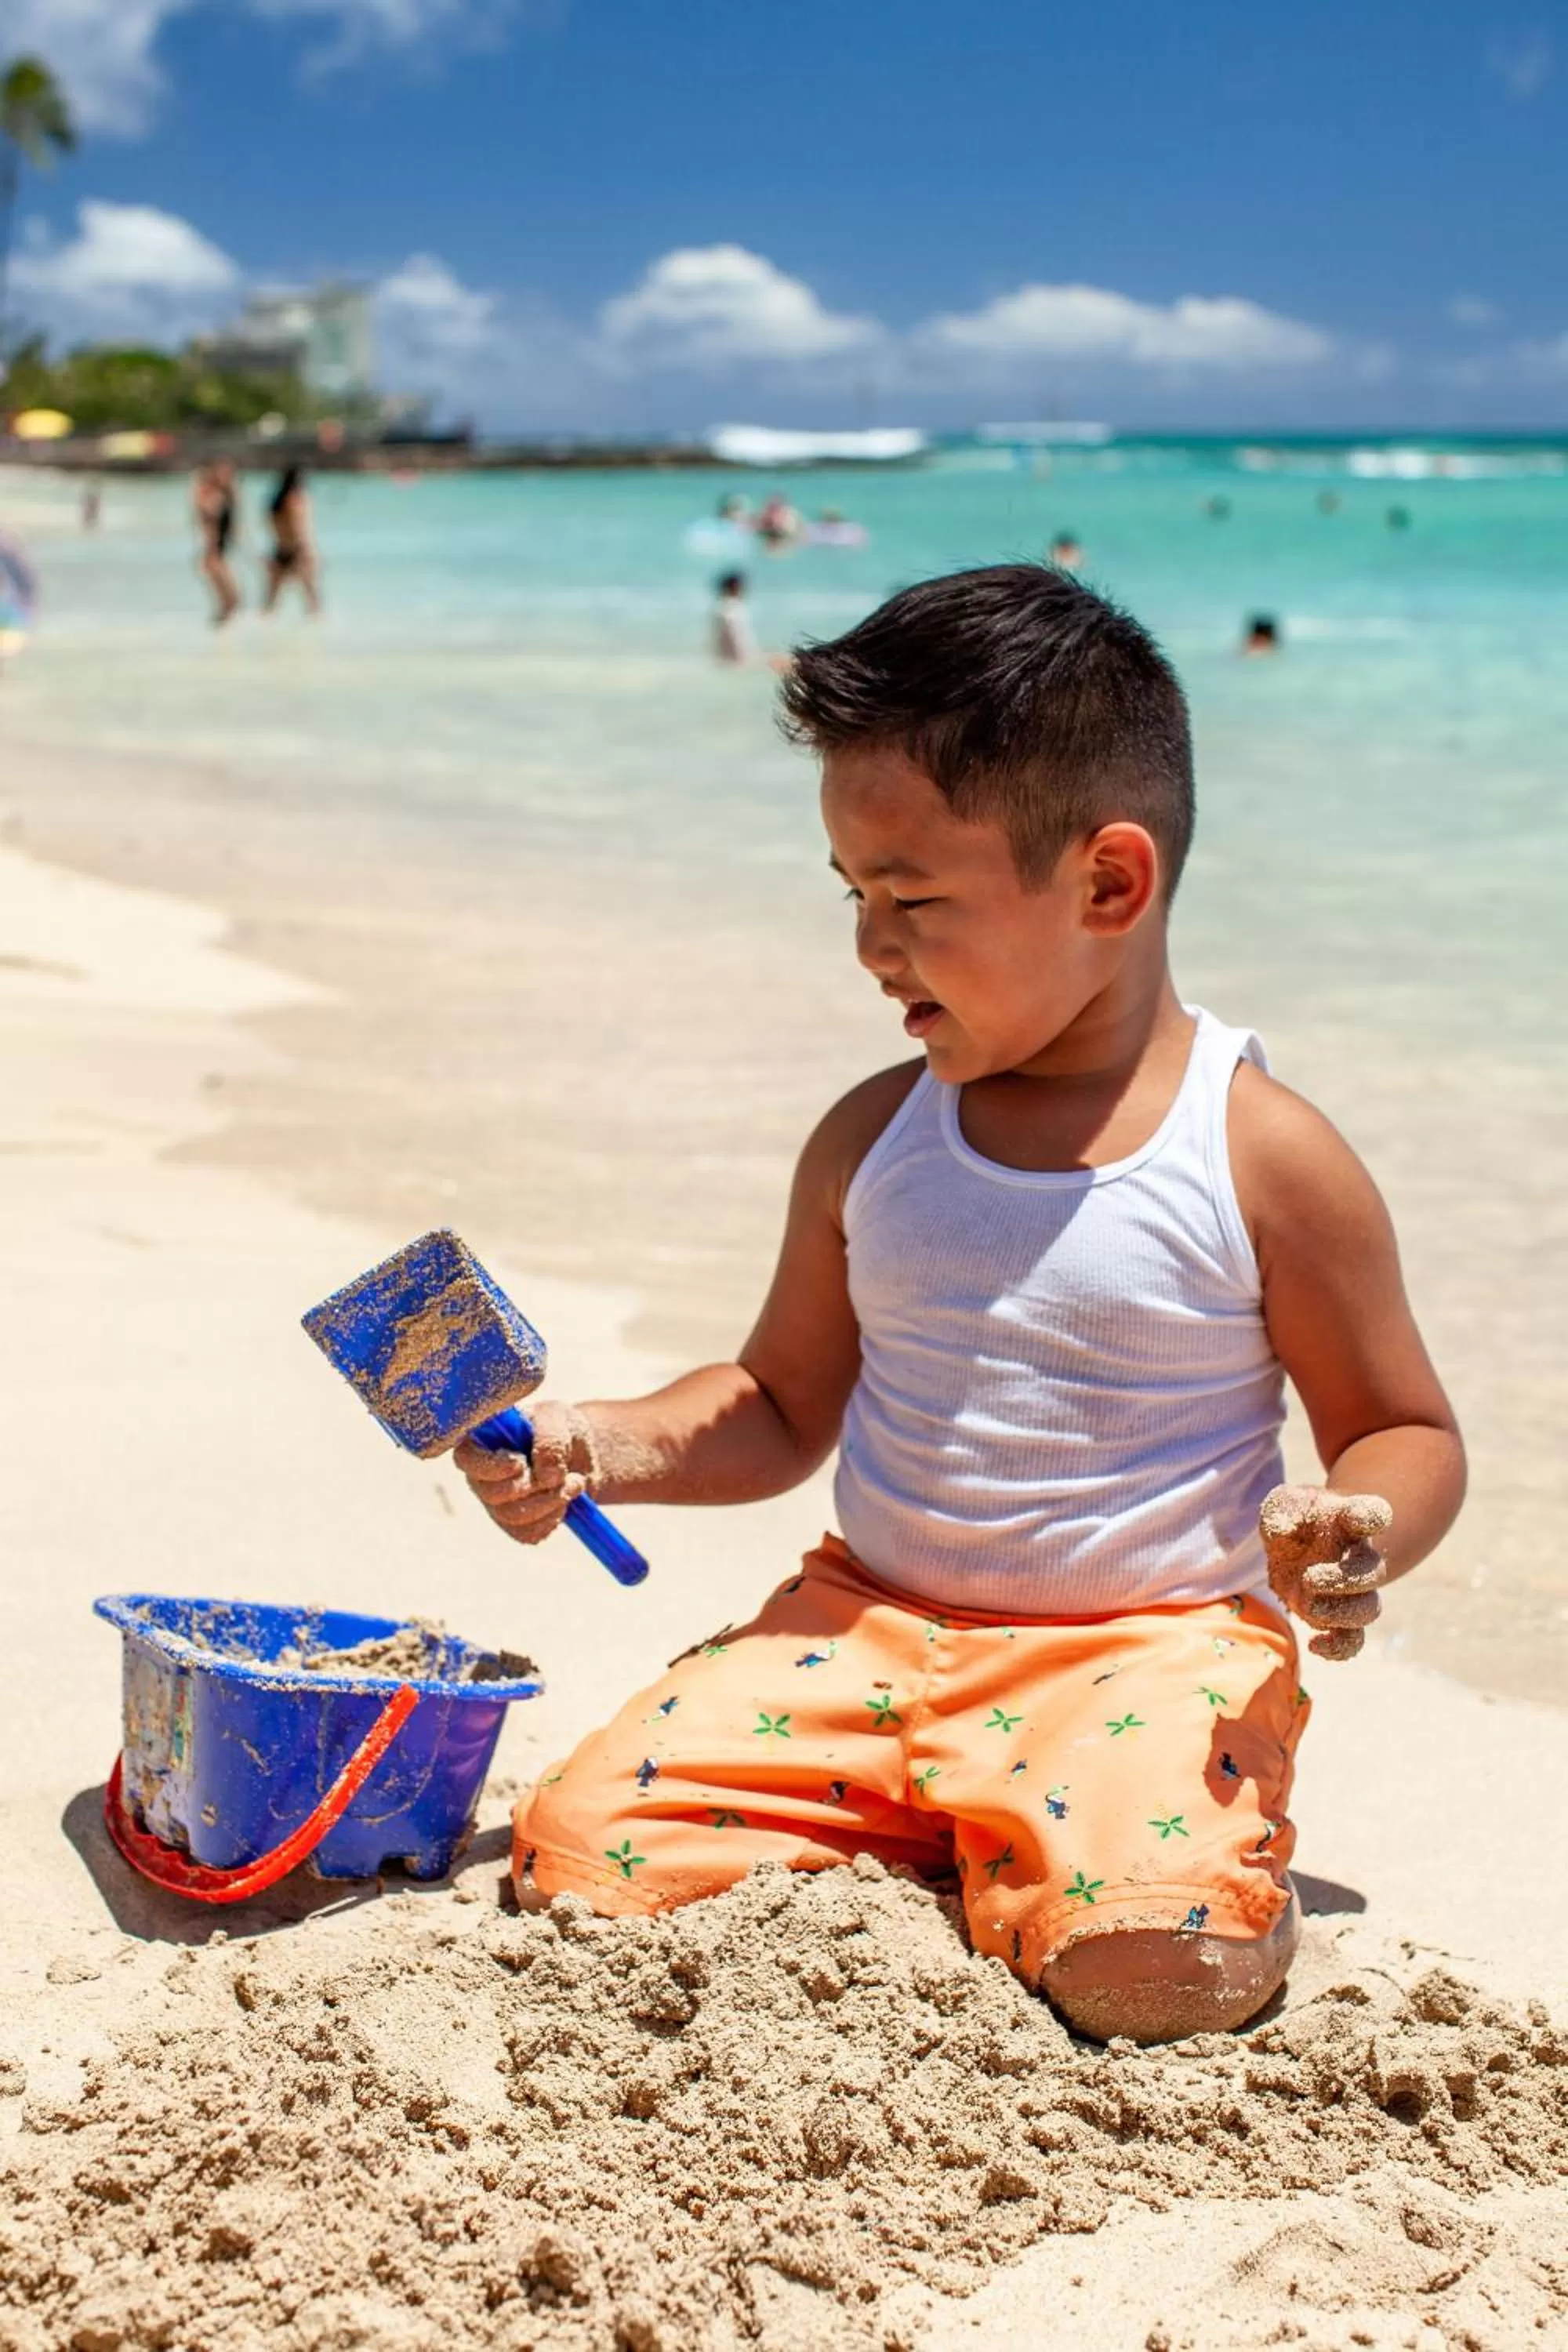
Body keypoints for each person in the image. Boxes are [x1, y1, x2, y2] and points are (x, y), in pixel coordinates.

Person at [458, 564, 1463, 2045]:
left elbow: (1404, 1426)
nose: (872, 947)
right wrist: (595, 1442)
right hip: (862, 1629)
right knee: (582, 1861)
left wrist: (1357, 1527)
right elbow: (780, 1402)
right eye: (854, 895)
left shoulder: (1258, 1154)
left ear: (1109, 885)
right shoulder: (875, 1141)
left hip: (1142, 1652)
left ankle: (1079, 1848)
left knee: (1154, 1967)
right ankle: (982, 1841)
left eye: (915, 899)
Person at [263, 464, 321, 615]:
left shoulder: (275, 503)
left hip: (280, 549)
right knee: (313, 601)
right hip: (298, 550)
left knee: (270, 603)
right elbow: (300, 528)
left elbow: (272, 526)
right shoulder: (296, 500)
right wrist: (309, 551)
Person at [193, 459, 241, 626]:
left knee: (229, 603)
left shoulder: (223, 496)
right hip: (213, 554)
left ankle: (218, 634)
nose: (229, 478)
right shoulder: (211, 498)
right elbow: (206, 519)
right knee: (231, 601)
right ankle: (217, 633)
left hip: (219, 554)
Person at [710, 572, 788, 670]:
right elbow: (736, 639)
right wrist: (747, 661)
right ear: (734, 587)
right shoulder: (731, 609)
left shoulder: (723, 607)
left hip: (730, 661)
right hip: (739, 662)